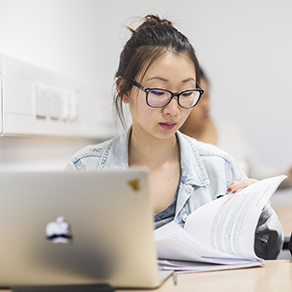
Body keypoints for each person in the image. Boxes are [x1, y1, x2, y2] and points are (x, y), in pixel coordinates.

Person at [65, 15, 283, 259]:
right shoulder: (85, 170)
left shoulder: (219, 168)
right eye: (158, 92)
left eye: (186, 92)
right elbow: (56, 255)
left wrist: (257, 209)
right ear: (123, 89)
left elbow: (269, 250)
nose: (173, 110)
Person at [180, 68, 292, 188]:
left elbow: (257, 177)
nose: (205, 106)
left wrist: (288, 174)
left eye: (206, 97)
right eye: (197, 99)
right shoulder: (175, 146)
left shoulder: (229, 131)